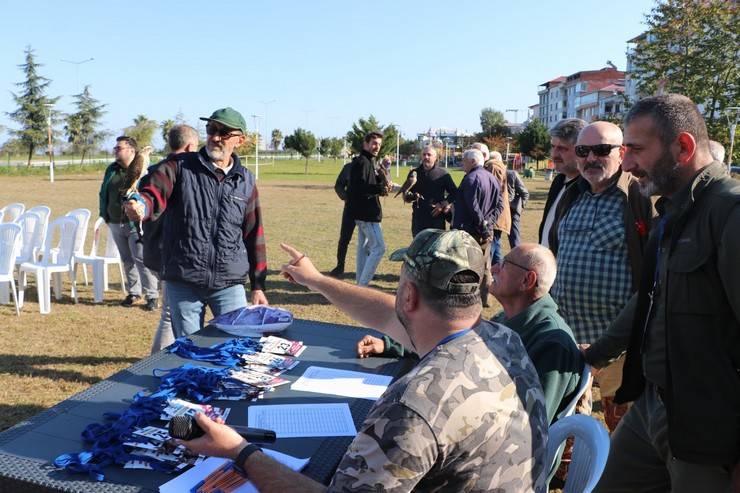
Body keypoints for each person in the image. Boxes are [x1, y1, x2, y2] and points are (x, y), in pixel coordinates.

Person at [182, 228, 548, 492]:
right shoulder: (503, 339)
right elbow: (391, 315)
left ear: (409, 295)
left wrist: (239, 451)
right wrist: (317, 281)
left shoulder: (414, 405)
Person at [582, 94, 740, 492]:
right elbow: (649, 297)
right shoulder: (671, 211)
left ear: (683, 148)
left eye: (635, 150)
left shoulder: (729, 214)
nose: (628, 163)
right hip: (653, 404)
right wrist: (596, 354)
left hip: (709, 426)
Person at [124, 107, 268, 338]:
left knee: (237, 346)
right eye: (211, 130)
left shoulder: (246, 181)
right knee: (189, 349)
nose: (215, 137)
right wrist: (141, 205)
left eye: (223, 132)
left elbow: (254, 234)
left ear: (240, 140)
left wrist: (258, 284)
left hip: (229, 283)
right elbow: (153, 193)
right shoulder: (178, 167)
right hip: (184, 280)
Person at [549, 121, 654, 432]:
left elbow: (653, 274)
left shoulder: (638, 197)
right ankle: (571, 477)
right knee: (567, 423)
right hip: (568, 338)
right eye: (583, 151)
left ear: (621, 153)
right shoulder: (573, 194)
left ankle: (617, 479)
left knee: (622, 431)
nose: (591, 158)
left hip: (619, 347)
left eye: (601, 150)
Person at [490, 243, 583, 425]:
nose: (493, 268)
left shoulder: (553, 344)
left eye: (504, 264)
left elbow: (531, 426)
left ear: (527, 280)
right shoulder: (502, 319)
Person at [145, 124, 199, 353]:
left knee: (169, 312)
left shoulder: (156, 170)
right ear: (190, 146)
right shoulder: (175, 174)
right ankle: (155, 363)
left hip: (155, 250)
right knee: (169, 315)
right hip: (169, 254)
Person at [99, 135, 159, 310]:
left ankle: (152, 296)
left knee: (141, 259)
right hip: (115, 222)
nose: (116, 150)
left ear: (132, 150)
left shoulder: (145, 170)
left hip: (136, 224)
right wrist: (105, 215)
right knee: (127, 260)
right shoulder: (112, 169)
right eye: (115, 148)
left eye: (119, 148)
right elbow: (103, 192)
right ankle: (134, 292)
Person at [452, 149, 502, 307]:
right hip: (485, 230)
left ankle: (466, 299)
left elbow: (472, 208)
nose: (462, 164)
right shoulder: (492, 178)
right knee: (485, 265)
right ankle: (485, 298)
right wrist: (489, 223)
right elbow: (500, 205)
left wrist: (483, 226)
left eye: (464, 160)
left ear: (472, 161)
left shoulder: (471, 179)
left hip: (470, 230)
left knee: (466, 265)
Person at [346, 131, 391, 286]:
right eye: (373, 143)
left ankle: (360, 284)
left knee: (364, 249)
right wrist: (380, 188)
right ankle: (362, 287)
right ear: (365, 144)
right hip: (366, 214)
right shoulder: (363, 162)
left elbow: (365, 185)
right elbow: (360, 188)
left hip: (362, 213)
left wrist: (381, 184)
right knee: (379, 247)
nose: (376, 147)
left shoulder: (368, 161)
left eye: (379, 144)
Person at [539, 118, 586, 248]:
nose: (554, 154)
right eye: (553, 146)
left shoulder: (588, 187)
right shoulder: (558, 181)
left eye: (562, 148)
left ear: (581, 150)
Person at [401, 145, 457, 237]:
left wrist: (443, 204)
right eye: (424, 154)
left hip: (437, 220)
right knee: (418, 250)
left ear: (435, 158)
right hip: (418, 220)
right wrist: (409, 197)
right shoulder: (414, 173)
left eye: (429, 155)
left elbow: (455, 192)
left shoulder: (443, 174)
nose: (426, 157)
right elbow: (406, 196)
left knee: (435, 249)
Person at [474, 144, 510, 266]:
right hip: (495, 216)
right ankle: (499, 276)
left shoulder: (492, 166)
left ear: (484, 155)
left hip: (494, 217)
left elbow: (492, 191)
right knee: (496, 249)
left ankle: (492, 280)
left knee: (490, 252)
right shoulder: (491, 166)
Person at [328, 161, 355, 278]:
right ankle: (340, 266)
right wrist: (345, 197)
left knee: (368, 243)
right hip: (350, 209)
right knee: (344, 238)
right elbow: (338, 185)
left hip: (368, 211)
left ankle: (367, 269)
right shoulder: (349, 167)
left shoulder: (374, 166)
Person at [506, 167, 529, 248]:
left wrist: (519, 208)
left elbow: (525, 193)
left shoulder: (511, 174)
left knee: (515, 238)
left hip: (512, 210)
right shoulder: (489, 172)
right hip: (497, 211)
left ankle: (517, 258)